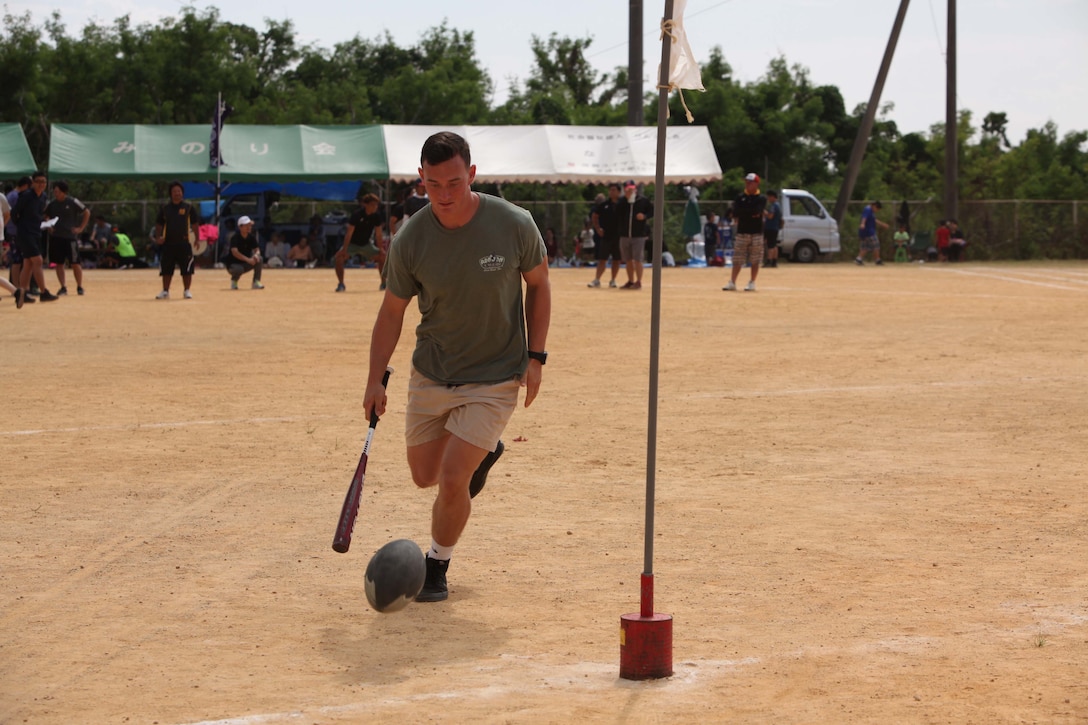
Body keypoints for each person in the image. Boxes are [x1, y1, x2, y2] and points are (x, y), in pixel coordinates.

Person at [363, 131, 550, 603]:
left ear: (471, 174)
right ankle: (484, 454)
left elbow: (539, 286)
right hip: (433, 370)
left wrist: (536, 357)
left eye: (453, 183)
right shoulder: (411, 240)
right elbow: (391, 312)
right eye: (433, 185)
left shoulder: (513, 224)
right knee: (423, 475)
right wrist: (373, 378)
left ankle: (437, 566)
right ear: (420, 179)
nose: (444, 195)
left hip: (496, 375)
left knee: (451, 481)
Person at [12, 171, 59, 304]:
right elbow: (14, 213)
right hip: (25, 233)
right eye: (38, 181)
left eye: (43, 182)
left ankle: (23, 293)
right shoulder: (26, 196)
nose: (41, 184)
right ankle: (44, 292)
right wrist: (21, 226)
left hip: (36, 232)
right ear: (32, 183)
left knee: (28, 263)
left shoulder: (43, 197)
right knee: (37, 261)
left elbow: (39, 213)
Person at [153, 181, 199, 300]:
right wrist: (158, 237)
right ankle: (165, 291)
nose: (177, 194)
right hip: (168, 244)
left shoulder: (188, 207)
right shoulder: (165, 208)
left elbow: (194, 224)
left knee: (187, 269)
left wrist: (197, 239)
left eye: (179, 191)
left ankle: (187, 290)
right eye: (174, 192)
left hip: (184, 243)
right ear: (170, 194)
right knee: (166, 269)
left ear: (182, 193)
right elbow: (159, 224)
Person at [44, 180, 91, 295]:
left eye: (58, 191)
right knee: (59, 263)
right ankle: (63, 287)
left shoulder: (73, 202)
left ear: (64, 192)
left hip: (70, 237)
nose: (56, 194)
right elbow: (46, 215)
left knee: (75, 263)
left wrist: (80, 228)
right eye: (54, 191)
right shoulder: (52, 204)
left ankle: (79, 286)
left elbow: (86, 212)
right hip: (56, 237)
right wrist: (49, 225)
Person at [335, 192, 385, 292]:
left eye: (376, 205)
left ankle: (384, 283)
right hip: (352, 244)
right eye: (372, 205)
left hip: (366, 244)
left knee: (382, 257)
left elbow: (378, 234)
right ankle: (341, 284)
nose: (375, 207)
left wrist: (381, 249)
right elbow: (349, 233)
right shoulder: (357, 215)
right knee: (338, 258)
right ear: (365, 204)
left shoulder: (376, 216)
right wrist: (344, 250)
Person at [724, 173, 765, 292]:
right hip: (742, 231)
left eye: (750, 182)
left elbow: (757, 211)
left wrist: (744, 212)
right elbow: (735, 212)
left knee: (755, 259)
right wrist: (749, 212)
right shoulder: (740, 197)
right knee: (737, 258)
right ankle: (732, 282)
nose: (747, 184)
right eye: (746, 182)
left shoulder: (761, 198)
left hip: (757, 232)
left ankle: (752, 282)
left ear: (756, 184)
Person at [616, 180, 653, 290]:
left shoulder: (643, 201)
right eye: (627, 189)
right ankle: (630, 280)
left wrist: (645, 216)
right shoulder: (622, 202)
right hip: (625, 235)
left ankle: (639, 281)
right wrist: (626, 201)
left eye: (632, 189)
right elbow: (617, 214)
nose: (630, 191)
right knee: (627, 260)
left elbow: (652, 211)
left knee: (638, 259)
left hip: (638, 235)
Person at [587, 185, 622, 288]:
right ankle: (597, 279)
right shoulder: (604, 205)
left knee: (617, 259)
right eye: (610, 190)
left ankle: (613, 280)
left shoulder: (623, 204)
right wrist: (597, 228)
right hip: (606, 236)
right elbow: (595, 215)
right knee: (602, 259)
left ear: (619, 192)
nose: (611, 192)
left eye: (614, 190)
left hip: (619, 236)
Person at [226, 216, 264, 290]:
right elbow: (235, 252)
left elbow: (257, 249)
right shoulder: (235, 238)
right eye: (246, 225)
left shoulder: (251, 237)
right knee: (238, 269)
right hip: (233, 264)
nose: (249, 227)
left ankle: (256, 282)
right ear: (240, 227)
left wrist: (256, 255)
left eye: (249, 225)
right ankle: (234, 281)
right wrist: (248, 260)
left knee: (260, 259)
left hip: (246, 263)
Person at [854, 200, 888, 266]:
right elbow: (864, 217)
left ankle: (858, 259)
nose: (877, 210)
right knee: (876, 245)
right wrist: (862, 224)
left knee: (865, 247)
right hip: (868, 231)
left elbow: (874, 220)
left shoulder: (871, 212)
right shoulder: (868, 209)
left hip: (865, 232)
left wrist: (882, 224)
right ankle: (877, 260)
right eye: (877, 209)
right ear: (874, 206)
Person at [763, 190, 782, 268]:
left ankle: (769, 261)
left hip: (771, 227)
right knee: (774, 245)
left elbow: (770, 216)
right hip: (775, 227)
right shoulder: (778, 205)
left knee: (770, 245)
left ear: (773, 197)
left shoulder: (774, 205)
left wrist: (764, 212)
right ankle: (774, 261)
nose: (768, 199)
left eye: (769, 197)